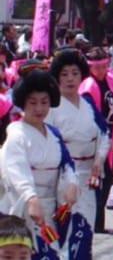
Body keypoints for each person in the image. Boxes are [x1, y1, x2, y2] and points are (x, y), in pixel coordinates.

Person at [0, 67, 79, 257]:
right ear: (23, 104)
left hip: (52, 208)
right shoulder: (17, 134)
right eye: (33, 103)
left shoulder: (54, 133)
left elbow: (67, 164)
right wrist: (30, 197)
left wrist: (71, 183)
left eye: (44, 102)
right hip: (24, 206)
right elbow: (16, 170)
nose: (39, 109)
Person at [46, 49, 110, 254]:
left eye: (74, 73)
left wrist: (100, 158)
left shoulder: (88, 104)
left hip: (88, 175)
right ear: (56, 77)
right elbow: (49, 143)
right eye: (64, 74)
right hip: (62, 178)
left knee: (85, 229)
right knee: (63, 230)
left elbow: (105, 133)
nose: (70, 79)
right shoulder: (50, 108)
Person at [79, 46, 113, 234]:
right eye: (97, 67)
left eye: (104, 66)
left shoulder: (110, 80)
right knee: (96, 180)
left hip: (110, 135)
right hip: (94, 139)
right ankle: (94, 221)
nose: (101, 71)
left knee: (108, 179)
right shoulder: (87, 86)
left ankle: (99, 221)